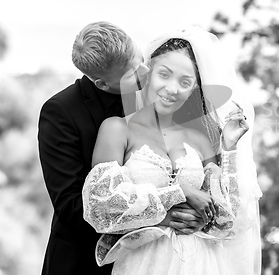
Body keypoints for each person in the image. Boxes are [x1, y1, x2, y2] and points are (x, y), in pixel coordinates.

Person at [82, 26, 262, 275]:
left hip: (203, 265)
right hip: (143, 265)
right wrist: (180, 193)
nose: (172, 88)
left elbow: (229, 220)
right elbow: (101, 209)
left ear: (194, 89)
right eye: (164, 75)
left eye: (185, 82)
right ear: (148, 74)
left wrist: (229, 149)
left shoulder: (201, 137)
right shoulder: (117, 129)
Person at [38, 22, 206, 275]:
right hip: (84, 261)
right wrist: (162, 213)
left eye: (141, 60)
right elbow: (71, 207)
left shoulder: (158, 94)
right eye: (131, 74)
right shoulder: (61, 112)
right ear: (102, 84)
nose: (145, 73)